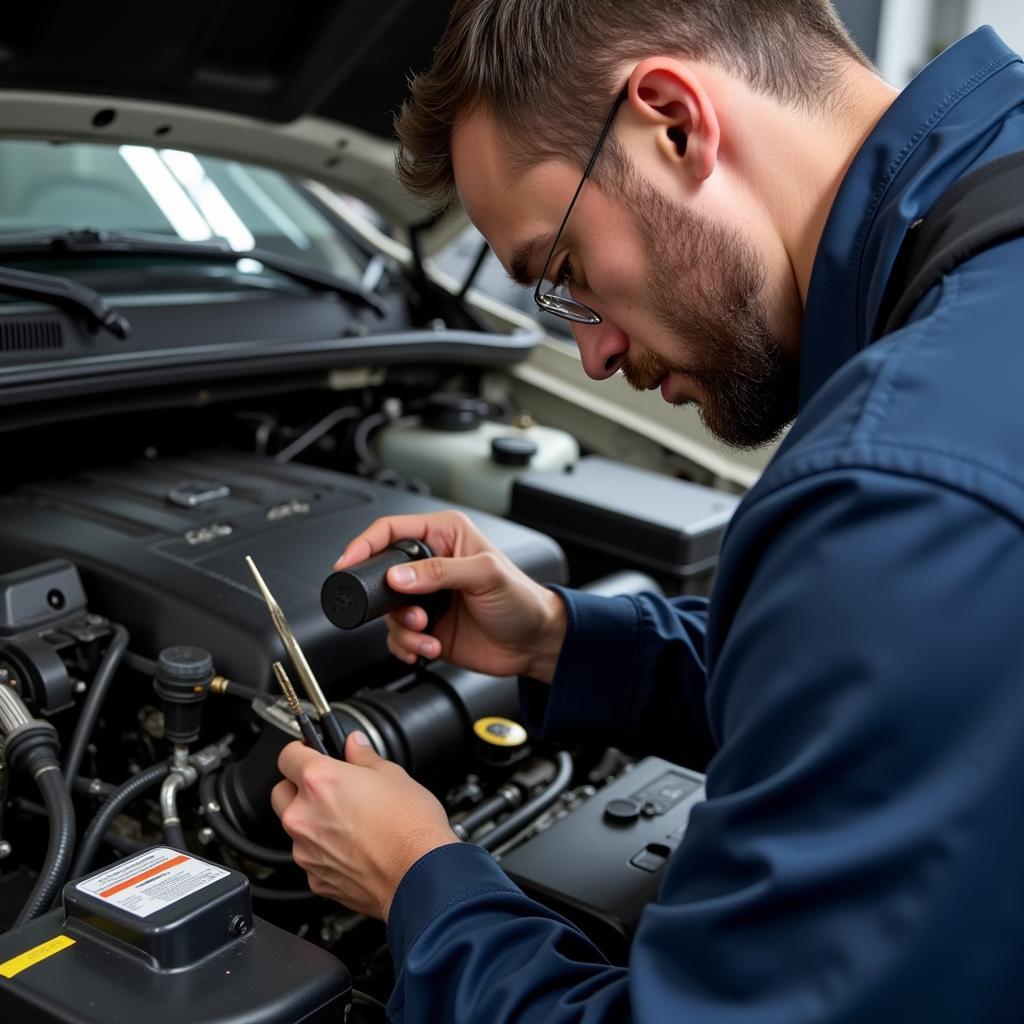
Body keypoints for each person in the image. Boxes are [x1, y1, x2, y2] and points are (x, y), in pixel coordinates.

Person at [270, 2, 1024, 1019]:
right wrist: (557, 639)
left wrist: (419, 881)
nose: (591, 354)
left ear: (672, 121)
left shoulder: (896, 490)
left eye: (565, 271)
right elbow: (901, 694)